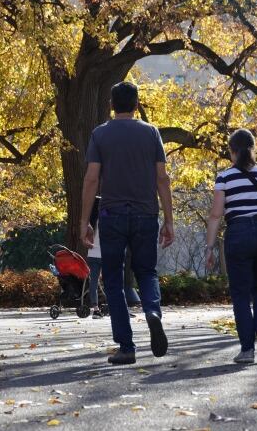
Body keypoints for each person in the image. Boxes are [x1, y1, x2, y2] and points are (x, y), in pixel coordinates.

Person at [80, 81, 174, 365]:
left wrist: (85, 220)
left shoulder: (100, 134)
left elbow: (92, 178)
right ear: (136, 104)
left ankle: (127, 346)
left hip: (112, 215)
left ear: (112, 104)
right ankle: (153, 313)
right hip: (146, 214)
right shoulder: (151, 133)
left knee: (112, 278)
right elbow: (162, 178)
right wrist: (168, 220)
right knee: (146, 271)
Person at [205, 129, 257, 364]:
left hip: (239, 233)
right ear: (252, 149)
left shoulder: (224, 177)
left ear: (233, 152)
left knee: (240, 292)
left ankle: (247, 350)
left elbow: (215, 214)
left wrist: (209, 247)